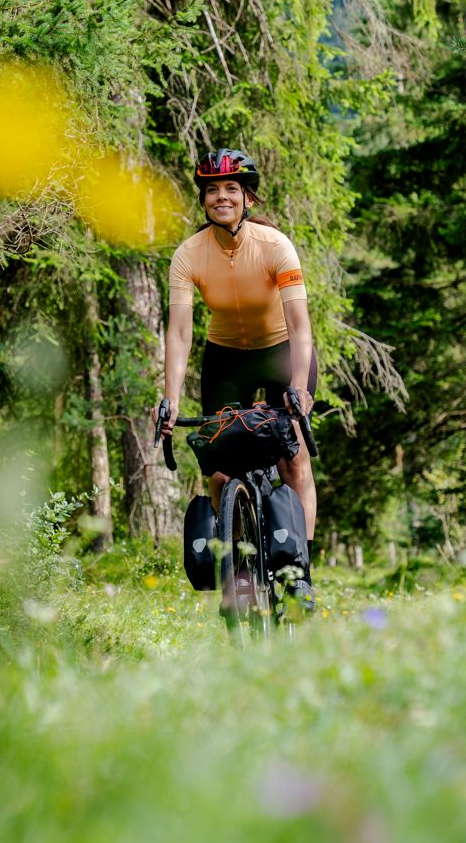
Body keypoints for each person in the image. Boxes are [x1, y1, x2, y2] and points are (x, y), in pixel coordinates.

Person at [157, 148, 318, 605]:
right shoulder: (189, 254)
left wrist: (301, 391)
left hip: (282, 351)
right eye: (212, 190)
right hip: (226, 357)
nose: (221, 197)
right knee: (221, 472)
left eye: (231, 189)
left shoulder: (275, 246)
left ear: (248, 196)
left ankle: (300, 573)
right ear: (203, 200)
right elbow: (181, 331)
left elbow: (301, 326)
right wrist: (170, 400)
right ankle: (238, 575)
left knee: (294, 458)